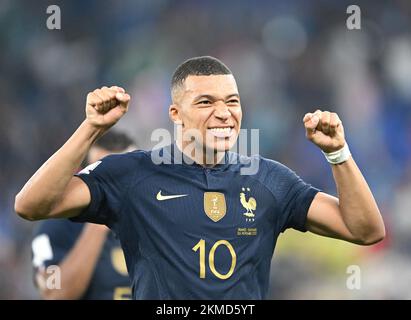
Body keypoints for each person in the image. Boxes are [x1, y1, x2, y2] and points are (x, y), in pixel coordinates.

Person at [15, 56, 385, 299]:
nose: (224, 113)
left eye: (233, 101)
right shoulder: (132, 174)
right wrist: (90, 128)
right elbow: (31, 205)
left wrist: (338, 153)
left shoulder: (269, 180)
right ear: (175, 113)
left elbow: (366, 230)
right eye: (206, 102)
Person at [31, 131, 136, 300]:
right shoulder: (55, 227)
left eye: (125, 174)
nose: (116, 186)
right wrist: (98, 218)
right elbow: (54, 294)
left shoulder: (155, 218)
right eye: (103, 177)